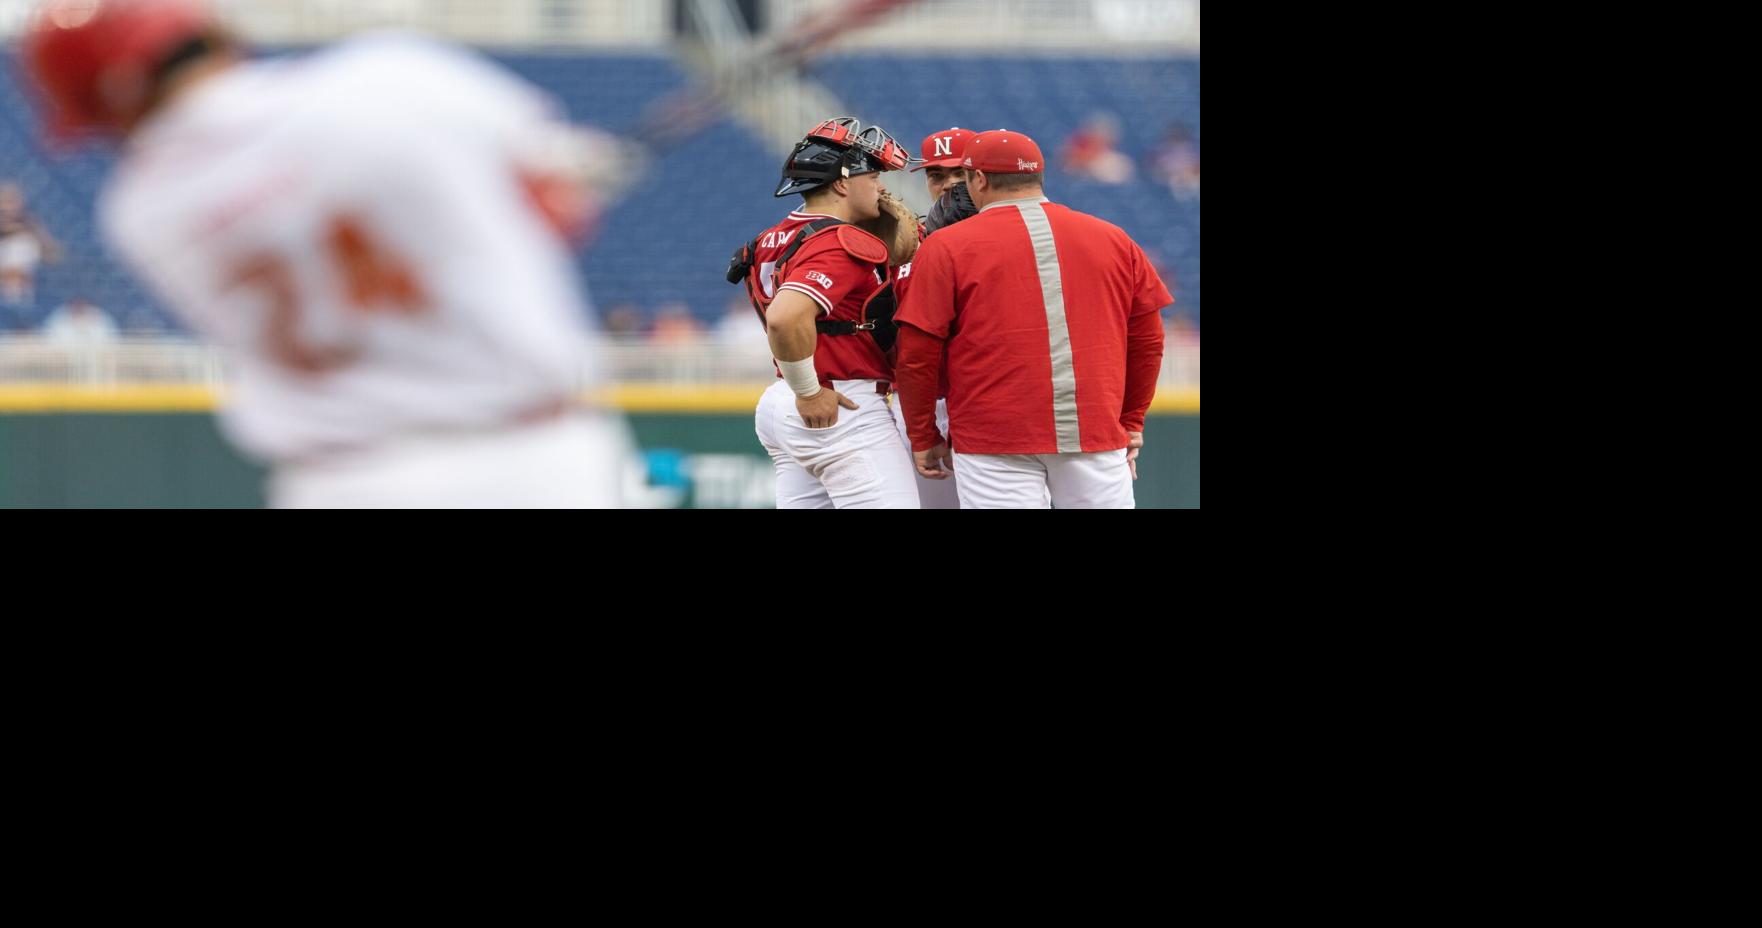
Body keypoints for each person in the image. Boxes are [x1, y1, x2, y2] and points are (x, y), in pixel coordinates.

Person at [18, 0, 625, 508]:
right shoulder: (393, 77)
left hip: (338, 482)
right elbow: (559, 209)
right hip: (530, 461)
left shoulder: (140, 213)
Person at [895, 130, 1170, 509]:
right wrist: (1131, 420)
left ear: (980, 179)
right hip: (1091, 428)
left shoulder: (944, 245)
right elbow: (1148, 341)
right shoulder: (1114, 238)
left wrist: (923, 435)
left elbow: (916, 353)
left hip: (993, 435)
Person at [729, 116, 921, 509]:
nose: (882, 187)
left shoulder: (771, 237)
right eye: (873, 176)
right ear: (842, 183)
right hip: (837, 400)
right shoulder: (839, 240)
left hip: (788, 398)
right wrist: (809, 391)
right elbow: (785, 317)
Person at [0, 182, 62, 312]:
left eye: (12, 202)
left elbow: (55, 256)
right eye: (5, 202)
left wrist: (33, 230)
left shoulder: (32, 228)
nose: (8, 208)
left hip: (29, 287)